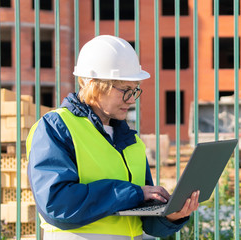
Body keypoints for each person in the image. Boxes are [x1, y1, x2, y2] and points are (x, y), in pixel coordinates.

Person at [26, 35, 199, 240]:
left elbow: (142, 220)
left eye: (134, 90)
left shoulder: (131, 141)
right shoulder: (55, 128)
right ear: (92, 84)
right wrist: (133, 193)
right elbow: (57, 203)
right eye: (125, 90)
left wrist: (171, 216)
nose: (131, 99)